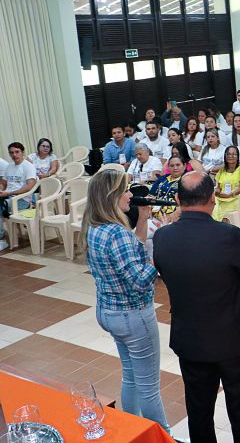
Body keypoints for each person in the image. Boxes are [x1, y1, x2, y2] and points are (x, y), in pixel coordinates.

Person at [153, 172, 240, 442]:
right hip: (233, 336)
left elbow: (168, 277)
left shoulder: (163, 237)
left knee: (199, 411)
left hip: (190, 337)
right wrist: (233, 311)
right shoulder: (229, 235)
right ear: (213, 199)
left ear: (178, 199)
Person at [80, 170, 170, 432]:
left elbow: (132, 253)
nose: (131, 195)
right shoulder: (116, 233)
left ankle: (132, 431)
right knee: (149, 387)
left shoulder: (94, 228)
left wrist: (143, 220)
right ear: (111, 196)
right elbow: (140, 280)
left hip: (109, 312)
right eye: (125, 190)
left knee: (131, 376)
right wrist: (161, 251)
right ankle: (162, 435)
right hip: (133, 316)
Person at [213, 147, 240, 221]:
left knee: (219, 209)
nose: (231, 156)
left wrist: (230, 195)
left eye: (234, 154)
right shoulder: (222, 170)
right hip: (222, 197)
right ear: (225, 156)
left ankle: (218, 227)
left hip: (236, 198)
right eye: (228, 154)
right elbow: (218, 187)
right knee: (211, 204)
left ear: (238, 157)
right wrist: (218, 192)